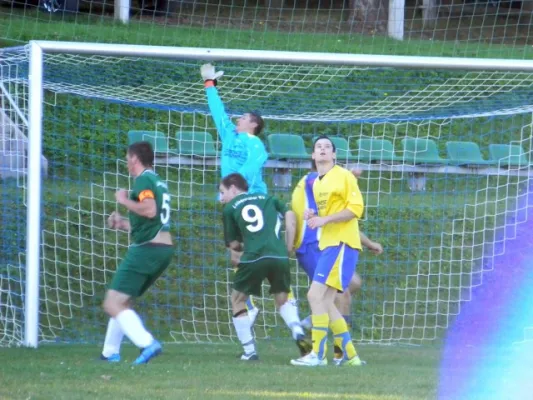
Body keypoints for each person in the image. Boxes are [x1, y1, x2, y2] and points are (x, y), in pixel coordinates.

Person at [292, 167, 383, 364]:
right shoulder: (315, 181)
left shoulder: (335, 184)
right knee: (327, 296)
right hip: (315, 246)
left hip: (329, 245)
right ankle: (335, 353)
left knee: (340, 291)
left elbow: (349, 215)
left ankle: (343, 354)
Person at [201, 63, 269, 324]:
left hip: (253, 203)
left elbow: (251, 172)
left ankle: (273, 298)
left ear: (253, 124)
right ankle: (249, 300)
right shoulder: (230, 136)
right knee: (235, 252)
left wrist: (234, 192)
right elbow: (218, 112)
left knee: (257, 253)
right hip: (233, 201)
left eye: (242, 118)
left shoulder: (256, 145)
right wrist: (210, 85)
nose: (237, 119)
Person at [220, 173, 311, 361]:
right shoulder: (270, 198)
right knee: (283, 300)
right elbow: (290, 217)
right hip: (278, 255)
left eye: (223, 192)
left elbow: (233, 245)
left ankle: (249, 351)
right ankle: (297, 331)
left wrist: (246, 246)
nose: (222, 198)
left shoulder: (230, 208)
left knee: (237, 299)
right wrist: (287, 245)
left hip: (254, 257)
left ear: (234, 188)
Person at [100, 141, 174, 365]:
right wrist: (122, 223)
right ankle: (109, 352)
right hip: (161, 247)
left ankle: (147, 343)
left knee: (112, 303)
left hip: (148, 249)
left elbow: (150, 210)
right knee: (123, 301)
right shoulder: (157, 181)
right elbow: (151, 219)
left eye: (126, 159)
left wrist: (123, 200)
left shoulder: (143, 179)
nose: (126, 164)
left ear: (134, 158)